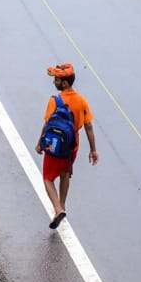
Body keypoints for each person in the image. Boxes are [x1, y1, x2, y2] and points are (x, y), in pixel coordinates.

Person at [35, 62, 99, 229]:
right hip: (72, 146)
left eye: (56, 80)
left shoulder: (55, 100)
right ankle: (62, 205)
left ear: (64, 83)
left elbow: (48, 124)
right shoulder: (82, 101)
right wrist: (93, 150)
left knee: (48, 178)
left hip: (53, 145)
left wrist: (40, 143)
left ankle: (57, 209)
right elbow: (89, 127)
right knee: (64, 174)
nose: (54, 82)